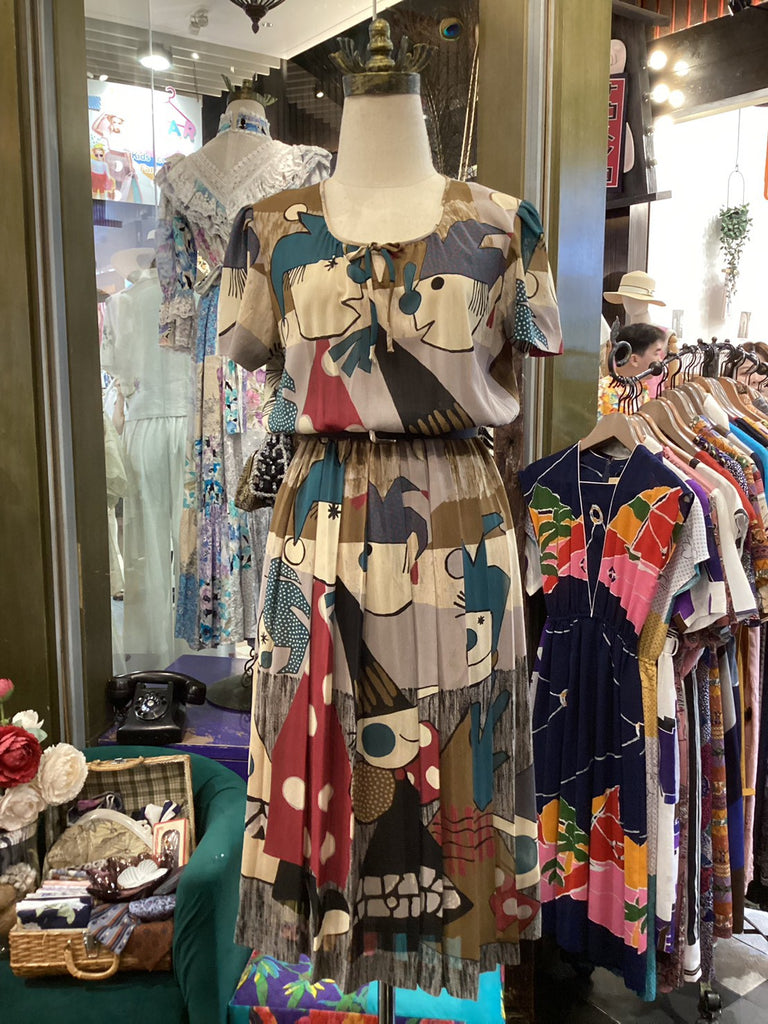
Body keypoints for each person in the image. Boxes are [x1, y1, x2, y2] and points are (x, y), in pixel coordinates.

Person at [597, 323, 668, 418]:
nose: (660, 360)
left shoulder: (641, 387)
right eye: (656, 354)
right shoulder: (601, 392)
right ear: (634, 359)